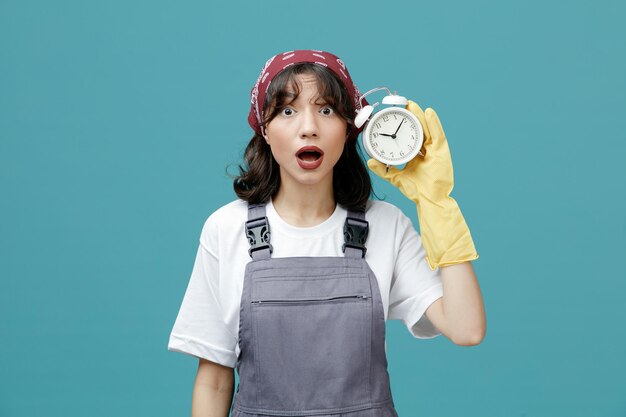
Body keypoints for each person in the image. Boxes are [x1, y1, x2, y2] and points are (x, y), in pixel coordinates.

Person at [168, 49, 486, 417]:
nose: (309, 127)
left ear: (350, 129)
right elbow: (214, 379)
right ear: (265, 130)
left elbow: (467, 329)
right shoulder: (226, 229)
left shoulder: (386, 226)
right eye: (288, 111)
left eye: (326, 110)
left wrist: (436, 205)